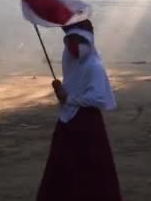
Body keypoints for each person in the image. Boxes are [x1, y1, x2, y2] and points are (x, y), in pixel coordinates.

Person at [37, 19, 122, 201]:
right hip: (67, 120)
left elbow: (98, 97)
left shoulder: (94, 66)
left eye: (78, 40)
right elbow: (71, 85)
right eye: (70, 41)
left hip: (87, 122)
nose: (74, 46)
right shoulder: (69, 59)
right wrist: (61, 90)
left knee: (91, 169)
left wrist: (68, 98)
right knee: (62, 168)